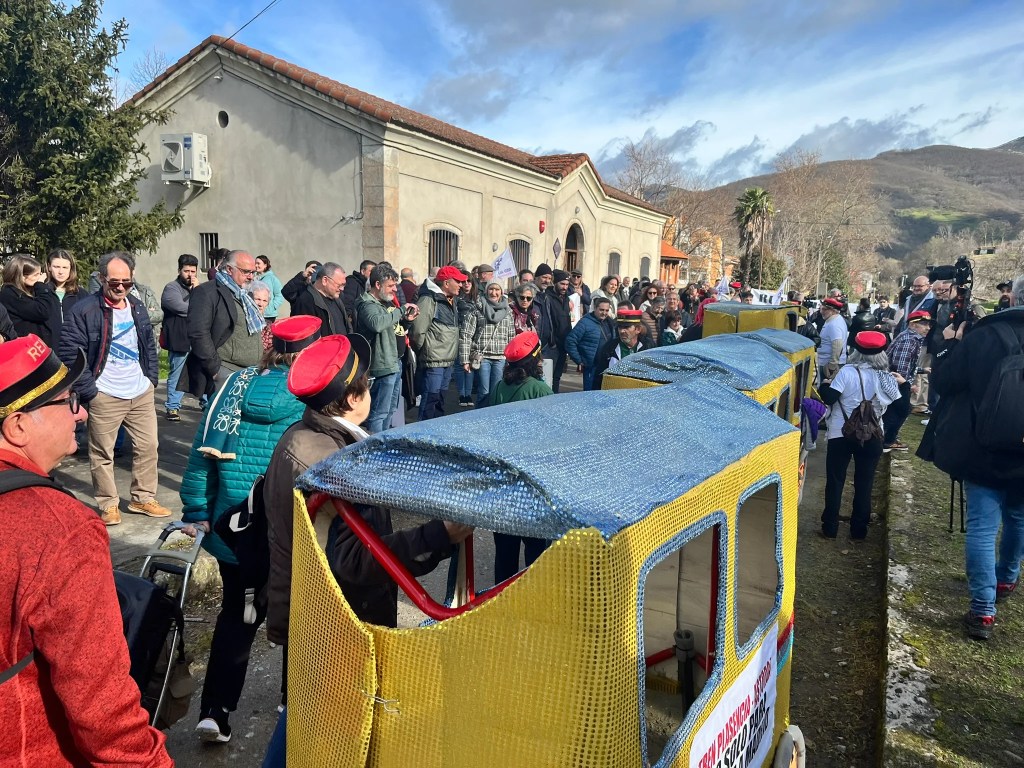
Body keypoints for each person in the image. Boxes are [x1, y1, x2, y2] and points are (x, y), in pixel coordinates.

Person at [261, 332, 472, 764]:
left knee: (305, 715)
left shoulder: (304, 435)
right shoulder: (330, 463)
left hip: (311, 610)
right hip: (339, 620)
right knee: (327, 729)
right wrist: (438, 535)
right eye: (368, 386)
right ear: (353, 398)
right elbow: (352, 562)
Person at [0, 334, 173, 767]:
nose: (80, 413)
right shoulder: (60, 529)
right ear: (17, 425)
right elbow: (103, 709)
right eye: (67, 402)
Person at [179, 316, 318, 744]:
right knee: (299, 615)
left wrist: (196, 509)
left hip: (234, 527)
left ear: (272, 348)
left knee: (237, 617)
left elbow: (200, 456)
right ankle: (292, 704)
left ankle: (215, 712)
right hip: (289, 531)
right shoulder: (314, 398)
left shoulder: (233, 387)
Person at [925, 276, 1024, 640]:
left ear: (1011, 297)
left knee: (982, 528)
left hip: (985, 447)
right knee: (1019, 518)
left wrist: (950, 343)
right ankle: (1007, 579)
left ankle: (983, 610)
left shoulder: (984, 336)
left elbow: (945, 382)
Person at [60, 252, 169, 525]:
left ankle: (143, 498)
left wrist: (150, 379)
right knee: (102, 453)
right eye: (114, 282)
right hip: (105, 393)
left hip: (140, 391)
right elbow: (71, 353)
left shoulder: (137, 307)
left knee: (148, 447)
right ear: (101, 279)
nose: (121, 287)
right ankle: (108, 504)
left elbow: (148, 345)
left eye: (126, 282)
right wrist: (91, 390)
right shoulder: (84, 311)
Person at [818, 331, 901, 540]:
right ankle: (859, 529)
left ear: (856, 351)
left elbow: (829, 398)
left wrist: (825, 384)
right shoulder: (886, 377)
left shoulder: (847, 372)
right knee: (865, 483)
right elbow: (901, 407)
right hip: (872, 435)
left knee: (835, 480)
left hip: (841, 433)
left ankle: (830, 527)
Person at [487, 331, 553, 580]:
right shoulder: (540, 390)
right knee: (536, 553)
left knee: (504, 552)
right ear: (536, 359)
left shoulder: (499, 387)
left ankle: (501, 595)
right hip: (530, 485)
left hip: (503, 483)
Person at [181, 250, 266, 400]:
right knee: (223, 414)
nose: (251, 277)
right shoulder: (207, 292)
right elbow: (198, 333)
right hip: (226, 371)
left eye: (253, 272)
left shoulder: (245, 295)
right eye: (246, 272)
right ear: (229, 269)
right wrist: (215, 370)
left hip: (251, 371)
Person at [356, 263, 412, 432]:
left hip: (394, 362)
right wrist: (401, 311)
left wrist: (406, 319)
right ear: (378, 285)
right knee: (378, 413)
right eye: (390, 285)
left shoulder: (385, 302)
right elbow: (378, 324)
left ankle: (384, 441)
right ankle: (375, 444)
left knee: (390, 410)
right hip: (382, 366)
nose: (395, 289)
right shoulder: (367, 304)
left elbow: (393, 326)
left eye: (395, 285)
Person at [410, 264, 465, 420]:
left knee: (440, 400)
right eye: (458, 281)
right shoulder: (429, 299)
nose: (461, 285)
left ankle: (435, 431)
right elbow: (418, 330)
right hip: (434, 361)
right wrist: (424, 352)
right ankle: (422, 432)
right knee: (430, 400)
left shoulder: (451, 300)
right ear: (446, 283)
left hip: (447, 360)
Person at [881, 310, 932, 452]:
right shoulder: (909, 340)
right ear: (913, 325)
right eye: (924, 324)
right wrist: (907, 386)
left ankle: (886, 439)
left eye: (928, 324)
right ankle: (887, 441)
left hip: (894, 381)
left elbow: (907, 365)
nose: (928, 328)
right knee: (900, 411)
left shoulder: (910, 337)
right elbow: (899, 370)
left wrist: (922, 370)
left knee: (896, 411)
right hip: (895, 383)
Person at [460, 279, 514, 407]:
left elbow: (511, 337)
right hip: (482, 357)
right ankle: (480, 416)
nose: (494, 293)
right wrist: (465, 360)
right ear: (486, 290)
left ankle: (494, 417)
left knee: (496, 392)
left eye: (497, 289)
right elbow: (466, 335)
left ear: (501, 292)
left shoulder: (508, 311)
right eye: (491, 289)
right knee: (484, 392)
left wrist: (512, 361)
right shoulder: (477, 308)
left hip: (501, 358)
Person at [160, 253, 200, 421]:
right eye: (186, 271)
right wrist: (197, 295)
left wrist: (197, 291)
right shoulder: (171, 288)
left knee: (201, 371)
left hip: (196, 338)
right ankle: (172, 407)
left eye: (193, 271)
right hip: (178, 337)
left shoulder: (197, 288)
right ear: (179, 271)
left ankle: (206, 403)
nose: (190, 275)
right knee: (177, 373)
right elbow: (183, 308)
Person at [1, 253, 60, 346]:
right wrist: (41, 286)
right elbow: (42, 311)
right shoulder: (10, 294)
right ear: (22, 277)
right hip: (24, 348)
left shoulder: (29, 290)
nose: (41, 277)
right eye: (36, 275)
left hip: (38, 347)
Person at [565, 297, 615, 391]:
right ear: (595, 308)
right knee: (590, 394)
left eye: (606, 310)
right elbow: (570, 341)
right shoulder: (585, 323)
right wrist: (579, 360)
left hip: (608, 366)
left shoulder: (610, 322)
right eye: (601, 310)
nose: (604, 313)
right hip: (592, 367)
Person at [289, 262, 351, 336]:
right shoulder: (306, 302)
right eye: (339, 285)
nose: (342, 289)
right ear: (325, 280)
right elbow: (305, 337)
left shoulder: (336, 299)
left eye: (344, 285)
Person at [592, 308, 648, 384]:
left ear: (638, 329)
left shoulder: (648, 348)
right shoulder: (609, 348)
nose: (622, 331)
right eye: (620, 327)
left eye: (626, 327)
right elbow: (599, 377)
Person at [539, 269, 572, 392]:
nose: (565, 287)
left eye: (567, 284)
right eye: (562, 284)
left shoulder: (566, 299)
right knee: (547, 377)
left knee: (557, 377)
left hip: (563, 345)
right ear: (555, 283)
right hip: (551, 345)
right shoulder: (547, 297)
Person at [45, 248, 86, 348]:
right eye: (56, 267)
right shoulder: (41, 292)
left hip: (73, 350)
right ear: (49, 267)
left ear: (71, 269)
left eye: (65, 267)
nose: (60, 272)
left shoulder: (81, 294)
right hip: (47, 350)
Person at [817, 297, 848, 384]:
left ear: (833, 311)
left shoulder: (834, 325)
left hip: (829, 365)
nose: (821, 312)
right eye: (821, 309)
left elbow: (837, 345)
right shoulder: (833, 320)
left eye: (824, 309)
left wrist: (832, 366)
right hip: (827, 362)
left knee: (826, 389)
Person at [342, 258, 376, 325]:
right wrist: (349, 321)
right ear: (363, 271)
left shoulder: (366, 284)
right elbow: (347, 302)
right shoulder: (352, 282)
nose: (373, 275)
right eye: (371, 271)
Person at [254, 254, 285, 322]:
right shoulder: (255, 278)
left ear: (265, 265)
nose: (256, 265)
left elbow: (280, 294)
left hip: (268, 316)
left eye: (258, 263)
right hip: (258, 313)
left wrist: (272, 307)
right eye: (255, 263)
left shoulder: (272, 278)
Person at [248, 281, 275, 351]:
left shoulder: (268, 327)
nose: (261, 304)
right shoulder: (242, 321)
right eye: (258, 299)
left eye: (265, 301)